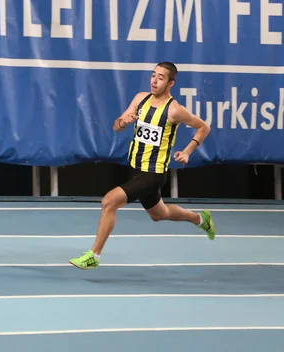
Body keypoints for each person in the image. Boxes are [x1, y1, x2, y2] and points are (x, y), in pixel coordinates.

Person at [69, 61, 215, 270]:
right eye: (153, 75)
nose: (154, 81)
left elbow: (203, 127)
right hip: (135, 170)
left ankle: (94, 255)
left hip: (154, 173)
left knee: (109, 202)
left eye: (161, 78)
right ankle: (200, 219)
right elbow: (117, 126)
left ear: (170, 83)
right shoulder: (140, 98)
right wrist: (123, 121)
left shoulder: (174, 110)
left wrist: (187, 151)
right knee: (159, 214)